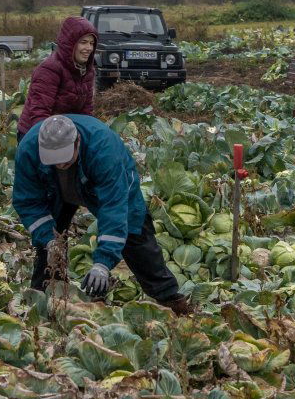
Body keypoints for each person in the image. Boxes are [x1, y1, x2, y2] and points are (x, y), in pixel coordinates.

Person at [12, 114, 193, 314]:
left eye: (64, 159)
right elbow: (28, 201)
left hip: (107, 185)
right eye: (53, 161)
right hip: (54, 190)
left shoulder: (104, 150)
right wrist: (49, 240)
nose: (60, 165)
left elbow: (113, 210)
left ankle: (170, 299)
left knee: (135, 234)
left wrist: (102, 263)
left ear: (77, 141)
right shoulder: (29, 149)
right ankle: (47, 298)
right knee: (48, 248)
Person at [17, 16, 98, 138]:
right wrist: (53, 140)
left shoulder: (87, 71)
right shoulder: (49, 69)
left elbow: (86, 111)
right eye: (84, 42)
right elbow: (39, 113)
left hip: (65, 133)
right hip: (34, 134)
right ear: (70, 43)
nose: (89, 48)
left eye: (92, 43)